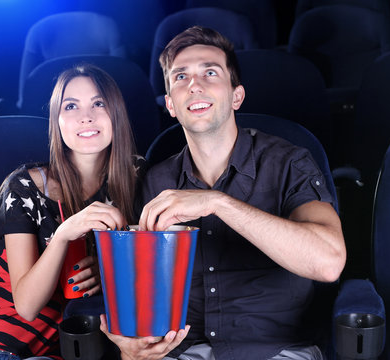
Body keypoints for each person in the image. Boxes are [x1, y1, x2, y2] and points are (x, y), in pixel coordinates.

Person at [100, 26, 347, 360]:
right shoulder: (155, 182)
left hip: (275, 350)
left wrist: (217, 202)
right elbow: (141, 295)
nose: (194, 85)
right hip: (182, 351)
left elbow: (329, 263)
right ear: (171, 104)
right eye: (181, 77)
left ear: (236, 96)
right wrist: (130, 347)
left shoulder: (290, 163)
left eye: (210, 73)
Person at [0, 64, 143, 360]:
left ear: (117, 112)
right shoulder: (24, 185)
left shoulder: (139, 180)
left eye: (98, 103)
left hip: (44, 353)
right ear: (57, 121)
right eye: (71, 106)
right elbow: (26, 305)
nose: (86, 116)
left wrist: (108, 275)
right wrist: (62, 236)